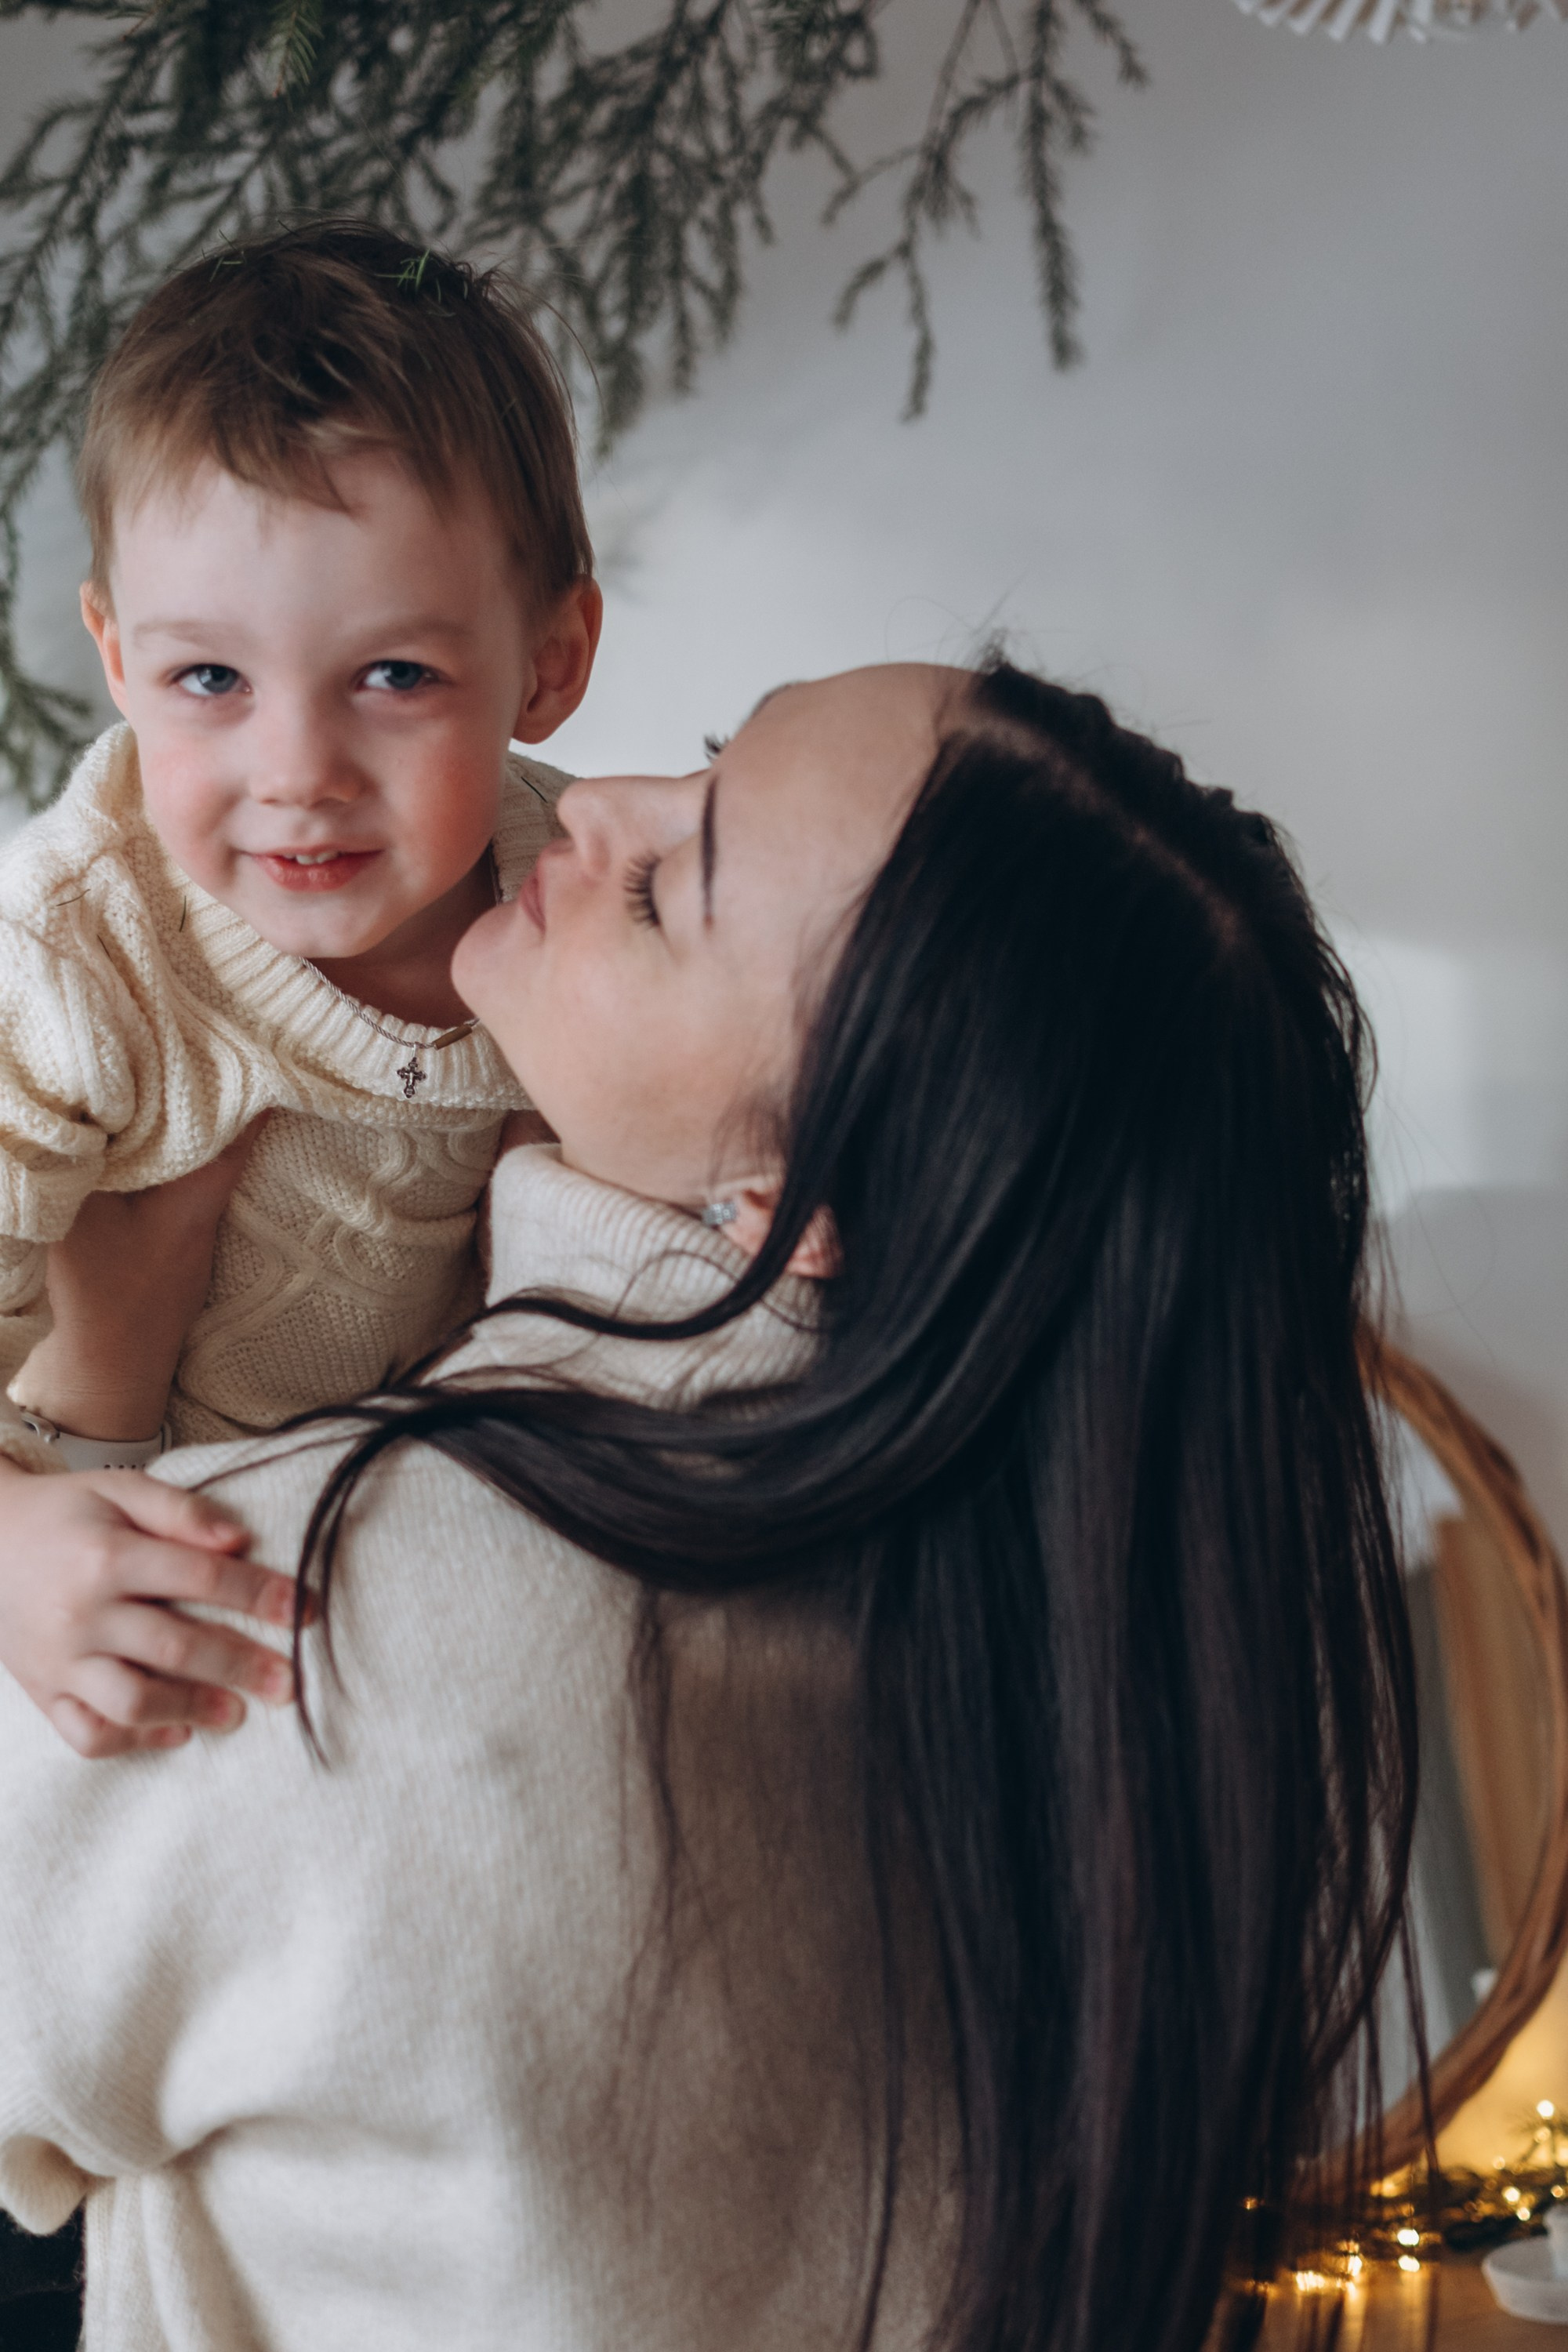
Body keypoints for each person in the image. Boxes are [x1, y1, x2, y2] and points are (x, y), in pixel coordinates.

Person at [0, 661, 1418, 2352]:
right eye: (687, 767)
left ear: (798, 1200)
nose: (584, 804)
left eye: (671, 886)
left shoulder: (299, 1604)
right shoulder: (1097, 1714)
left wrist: (93, 1433)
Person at [0, 217, 602, 1755]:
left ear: (548, 658)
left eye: (392, 677)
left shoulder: (591, 908)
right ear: (117, 655)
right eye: (210, 680)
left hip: (392, 1537)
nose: (295, 777)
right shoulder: (79, 952)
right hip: (83, 1514)